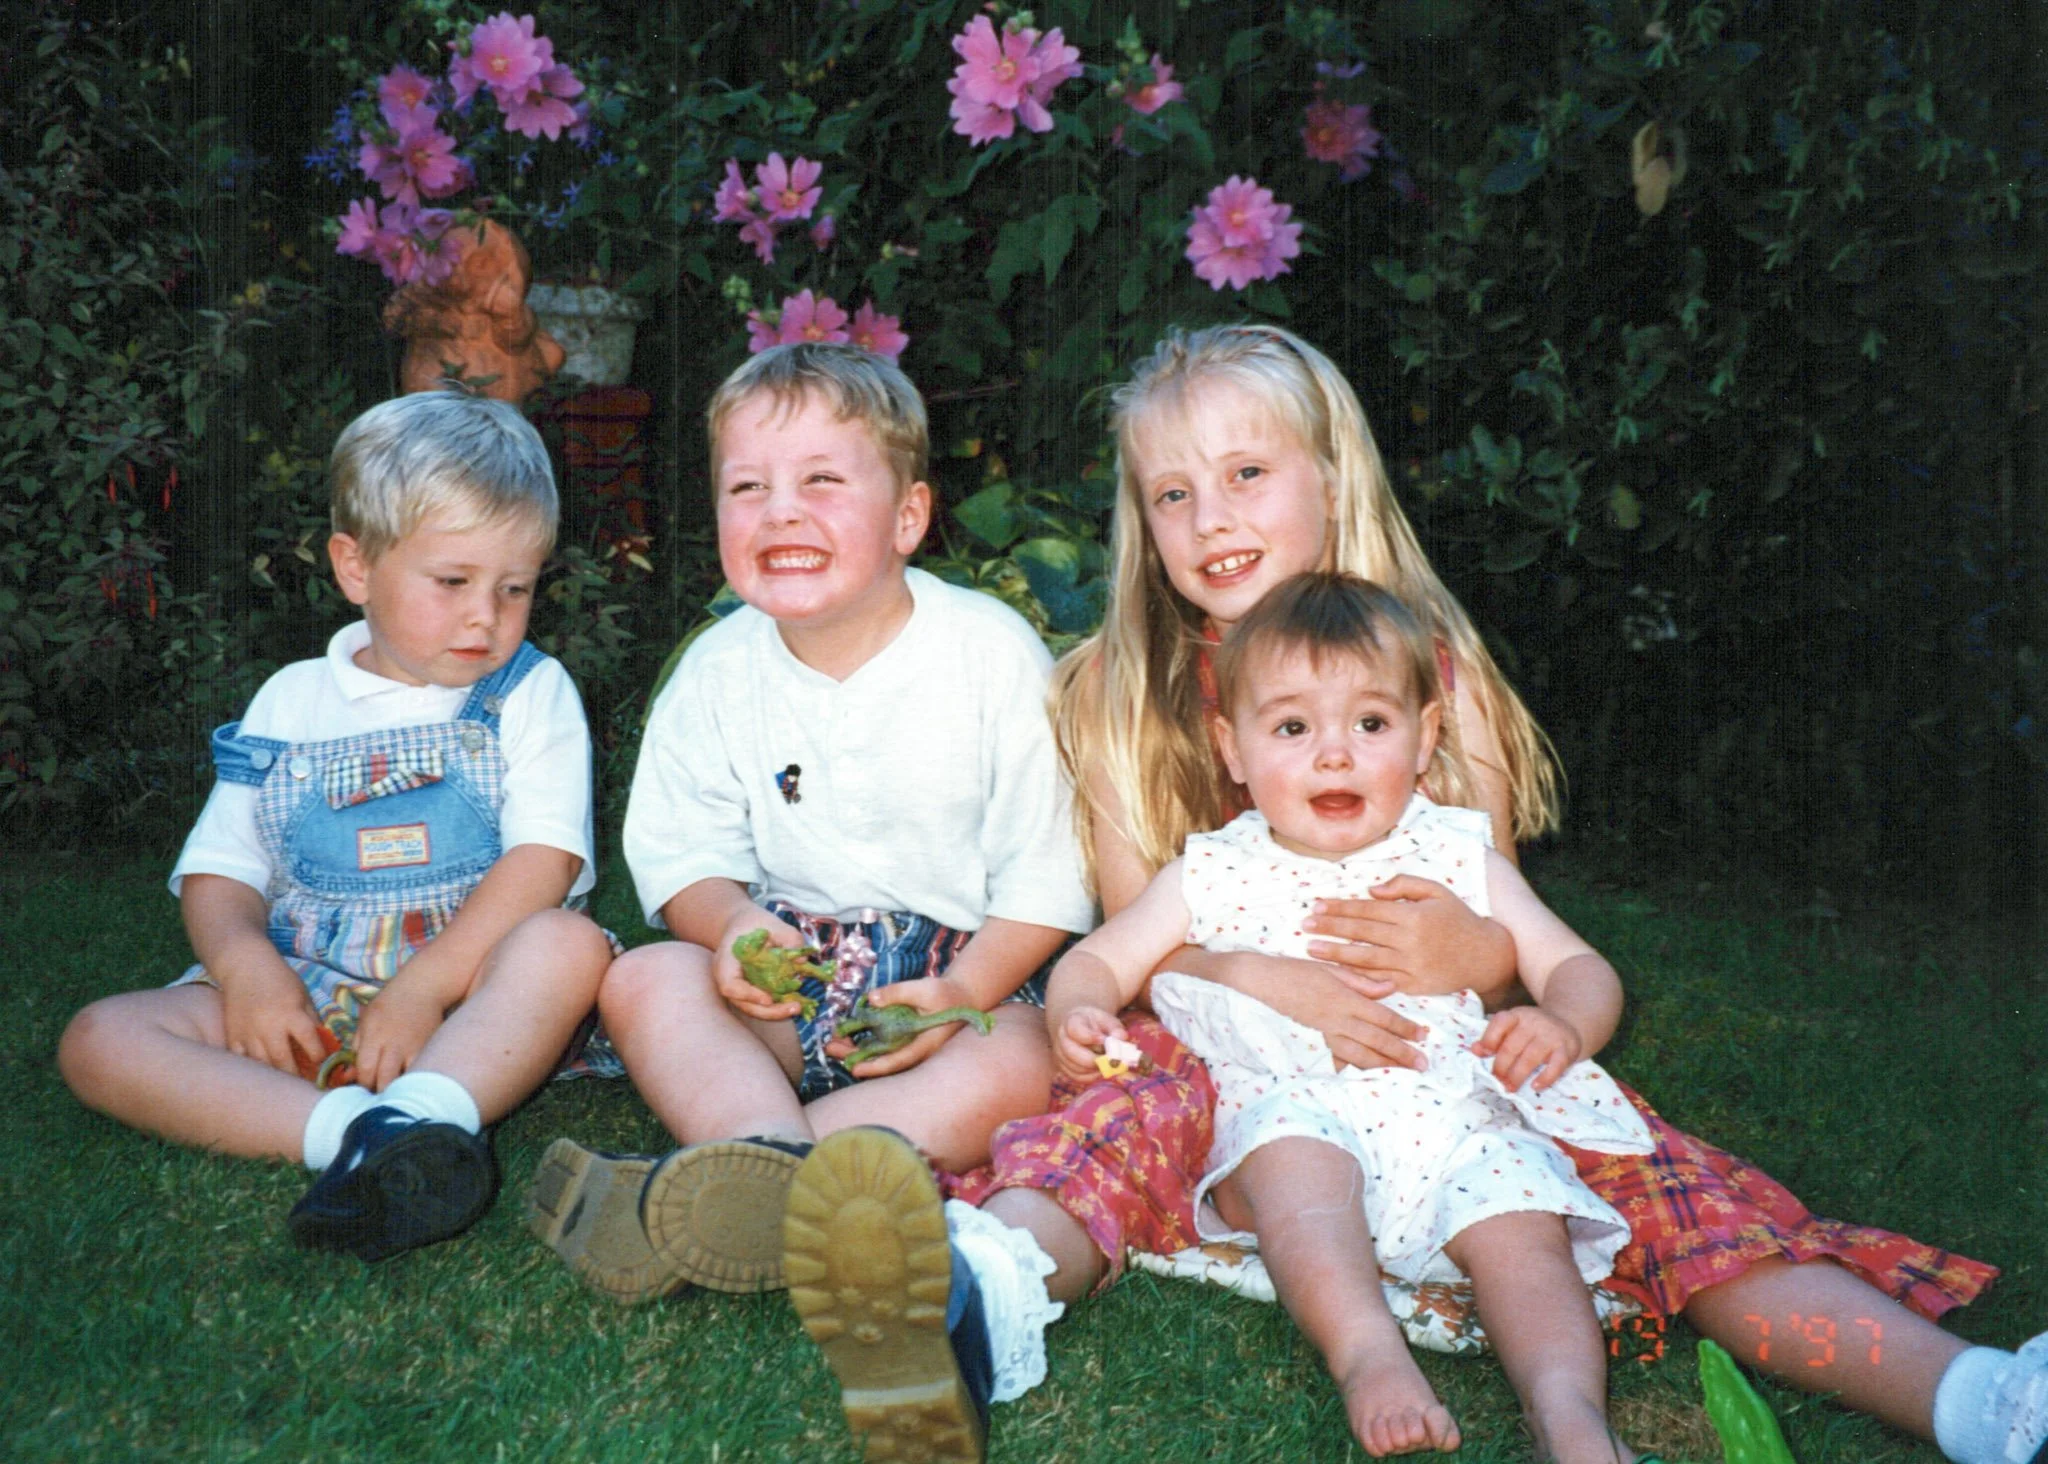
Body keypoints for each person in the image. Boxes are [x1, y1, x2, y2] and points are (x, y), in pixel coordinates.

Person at [784, 323, 2045, 1464]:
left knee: (1658, 1182)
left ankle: (1974, 1401)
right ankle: (968, 1304)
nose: (1208, 515)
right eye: (1171, 492)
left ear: (1332, 478)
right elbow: (1134, 962)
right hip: (1235, 1063)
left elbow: (1489, 923)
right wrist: (1242, 975)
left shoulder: (1431, 665)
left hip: (1444, 1064)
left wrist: (1488, 959)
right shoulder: (1122, 686)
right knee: (1120, 1114)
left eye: (1244, 474)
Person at [528, 342, 1093, 1306]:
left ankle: (728, 1185)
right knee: (645, 978)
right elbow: (682, 858)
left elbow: (1051, 875)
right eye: (747, 487)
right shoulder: (718, 668)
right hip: (792, 973)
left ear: (908, 516)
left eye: (823, 481)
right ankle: (778, 1162)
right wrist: (732, 926)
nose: (780, 509)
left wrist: (963, 986)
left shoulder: (991, 656)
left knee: (1023, 1062)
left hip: (960, 984)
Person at [1052, 571, 1660, 1460]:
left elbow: (1576, 965)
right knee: (1298, 1174)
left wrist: (1565, 1021)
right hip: (1292, 1108)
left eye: (1370, 724)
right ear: (1232, 748)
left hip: (1450, 1111)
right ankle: (1369, 1354)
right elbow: (1102, 957)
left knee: (1524, 1229)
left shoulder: (1458, 856)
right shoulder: (1211, 870)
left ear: (1426, 738)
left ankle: (1570, 1413)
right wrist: (1078, 1009)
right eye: (1293, 728)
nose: (1334, 755)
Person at [57, 390, 613, 1262]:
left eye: (516, 588)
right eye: (454, 582)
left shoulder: (528, 692)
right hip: (308, 990)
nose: (486, 617)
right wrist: (247, 974)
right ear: (356, 568)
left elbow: (545, 861)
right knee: (98, 1039)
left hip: (472, 1001)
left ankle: (436, 1106)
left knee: (567, 946)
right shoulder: (292, 700)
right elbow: (221, 869)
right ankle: (358, 1136)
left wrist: (426, 988)